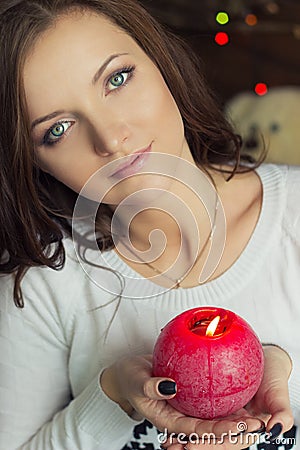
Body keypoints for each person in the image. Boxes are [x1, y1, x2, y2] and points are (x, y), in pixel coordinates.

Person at [0, 0, 298, 449]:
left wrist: (279, 366)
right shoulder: (41, 284)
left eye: (117, 79)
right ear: (36, 164)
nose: (110, 138)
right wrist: (112, 395)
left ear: (161, 62)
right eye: (57, 129)